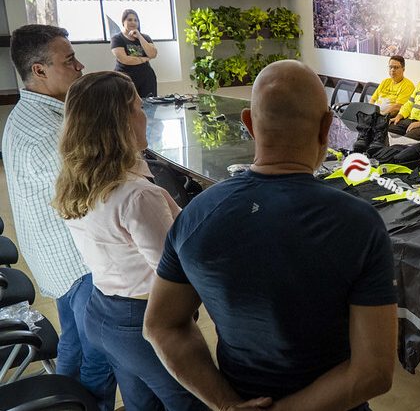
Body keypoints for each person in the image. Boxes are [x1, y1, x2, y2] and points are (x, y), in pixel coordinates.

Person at [143, 60, 397, 411]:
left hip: (241, 398)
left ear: (248, 123)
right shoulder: (360, 224)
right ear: (326, 127)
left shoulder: (197, 215)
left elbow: (160, 326)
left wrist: (226, 404)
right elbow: (374, 373)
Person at [52, 71, 206, 410]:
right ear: (119, 123)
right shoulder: (138, 195)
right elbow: (174, 272)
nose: (145, 116)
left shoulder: (78, 180)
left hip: (103, 310)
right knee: (191, 399)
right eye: (138, 108)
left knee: (141, 403)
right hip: (142, 320)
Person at [3, 25, 116, 409]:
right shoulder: (48, 134)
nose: (80, 66)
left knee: (75, 344)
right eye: (69, 60)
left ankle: (63, 401)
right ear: (39, 70)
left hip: (56, 259)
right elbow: (95, 200)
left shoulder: (30, 114)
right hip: (77, 263)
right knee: (100, 358)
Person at [111, 9, 158, 98]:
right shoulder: (117, 38)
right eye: (129, 20)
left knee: (149, 103)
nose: (133, 22)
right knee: (127, 103)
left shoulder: (145, 37)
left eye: (136, 20)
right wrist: (144, 59)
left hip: (146, 77)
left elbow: (153, 54)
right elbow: (125, 59)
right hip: (125, 78)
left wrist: (139, 36)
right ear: (123, 22)